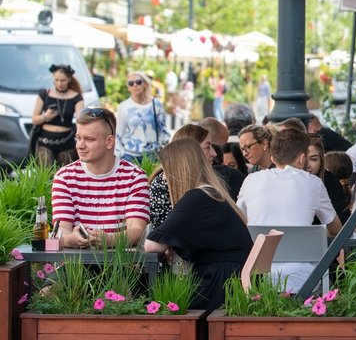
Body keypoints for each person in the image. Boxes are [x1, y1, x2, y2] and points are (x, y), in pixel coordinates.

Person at [144, 138, 253, 310]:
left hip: (218, 286)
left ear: (177, 169)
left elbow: (151, 245)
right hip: (233, 283)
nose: (164, 177)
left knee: (155, 303)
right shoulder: (213, 193)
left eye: (166, 170)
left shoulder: (196, 198)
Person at [238, 127, 341, 291]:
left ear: (272, 157)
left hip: (258, 276)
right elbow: (336, 230)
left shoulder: (251, 180)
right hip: (306, 278)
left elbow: (239, 220)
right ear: (302, 158)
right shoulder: (313, 183)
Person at [51, 108, 149, 248]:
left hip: (122, 265)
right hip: (75, 265)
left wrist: (108, 240)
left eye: (89, 139)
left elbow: (136, 231)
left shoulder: (135, 177)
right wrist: (69, 239)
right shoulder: (64, 177)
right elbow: (61, 230)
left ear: (109, 142)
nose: (80, 145)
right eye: (78, 138)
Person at [31, 63, 84, 165]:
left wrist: (81, 136)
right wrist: (45, 116)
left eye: (63, 80)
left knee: (66, 174)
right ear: (53, 78)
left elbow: (80, 120)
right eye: (56, 80)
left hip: (66, 141)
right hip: (45, 141)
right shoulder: (45, 93)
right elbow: (34, 119)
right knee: (46, 174)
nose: (59, 83)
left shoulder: (76, 97)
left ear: (69, 79)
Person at [114, 70, 170, 164]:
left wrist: (168, 153)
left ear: (145, 84)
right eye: (131, 83)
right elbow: (119, 135)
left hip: (152, 155)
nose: (135, 85)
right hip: (130, 155)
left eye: (138, 82)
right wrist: (117, 157)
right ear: (128, 88)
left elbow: (163, 131)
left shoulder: (156, 104)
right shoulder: (123, 107)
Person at [307, 133, 350, 222]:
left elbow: (343, 222)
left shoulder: (330, 180)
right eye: (303, 159)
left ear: (321, 161)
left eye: (313, 159)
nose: (307, 165)